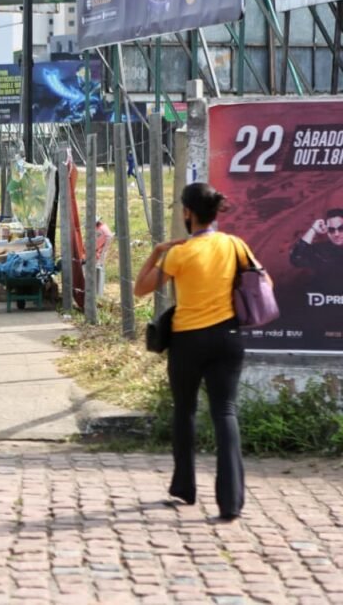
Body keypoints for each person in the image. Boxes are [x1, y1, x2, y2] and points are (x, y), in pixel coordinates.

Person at [133, 182, 260, 522]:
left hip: (188, 341)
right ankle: (230, 501)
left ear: (187, 213)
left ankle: (184, 487)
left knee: (185, 411)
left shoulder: (180, 253)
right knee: (226, 412)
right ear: (215, 212)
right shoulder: (234, 245)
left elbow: (140, 289)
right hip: (228, 337)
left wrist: (157, 252)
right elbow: (265, 282)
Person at [289, 208, 343, 286]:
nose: (336, 234)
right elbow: (296, 259)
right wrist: (313, 229)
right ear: (326, 230)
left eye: (341, 228)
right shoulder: (321, 250)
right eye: (331, 230)